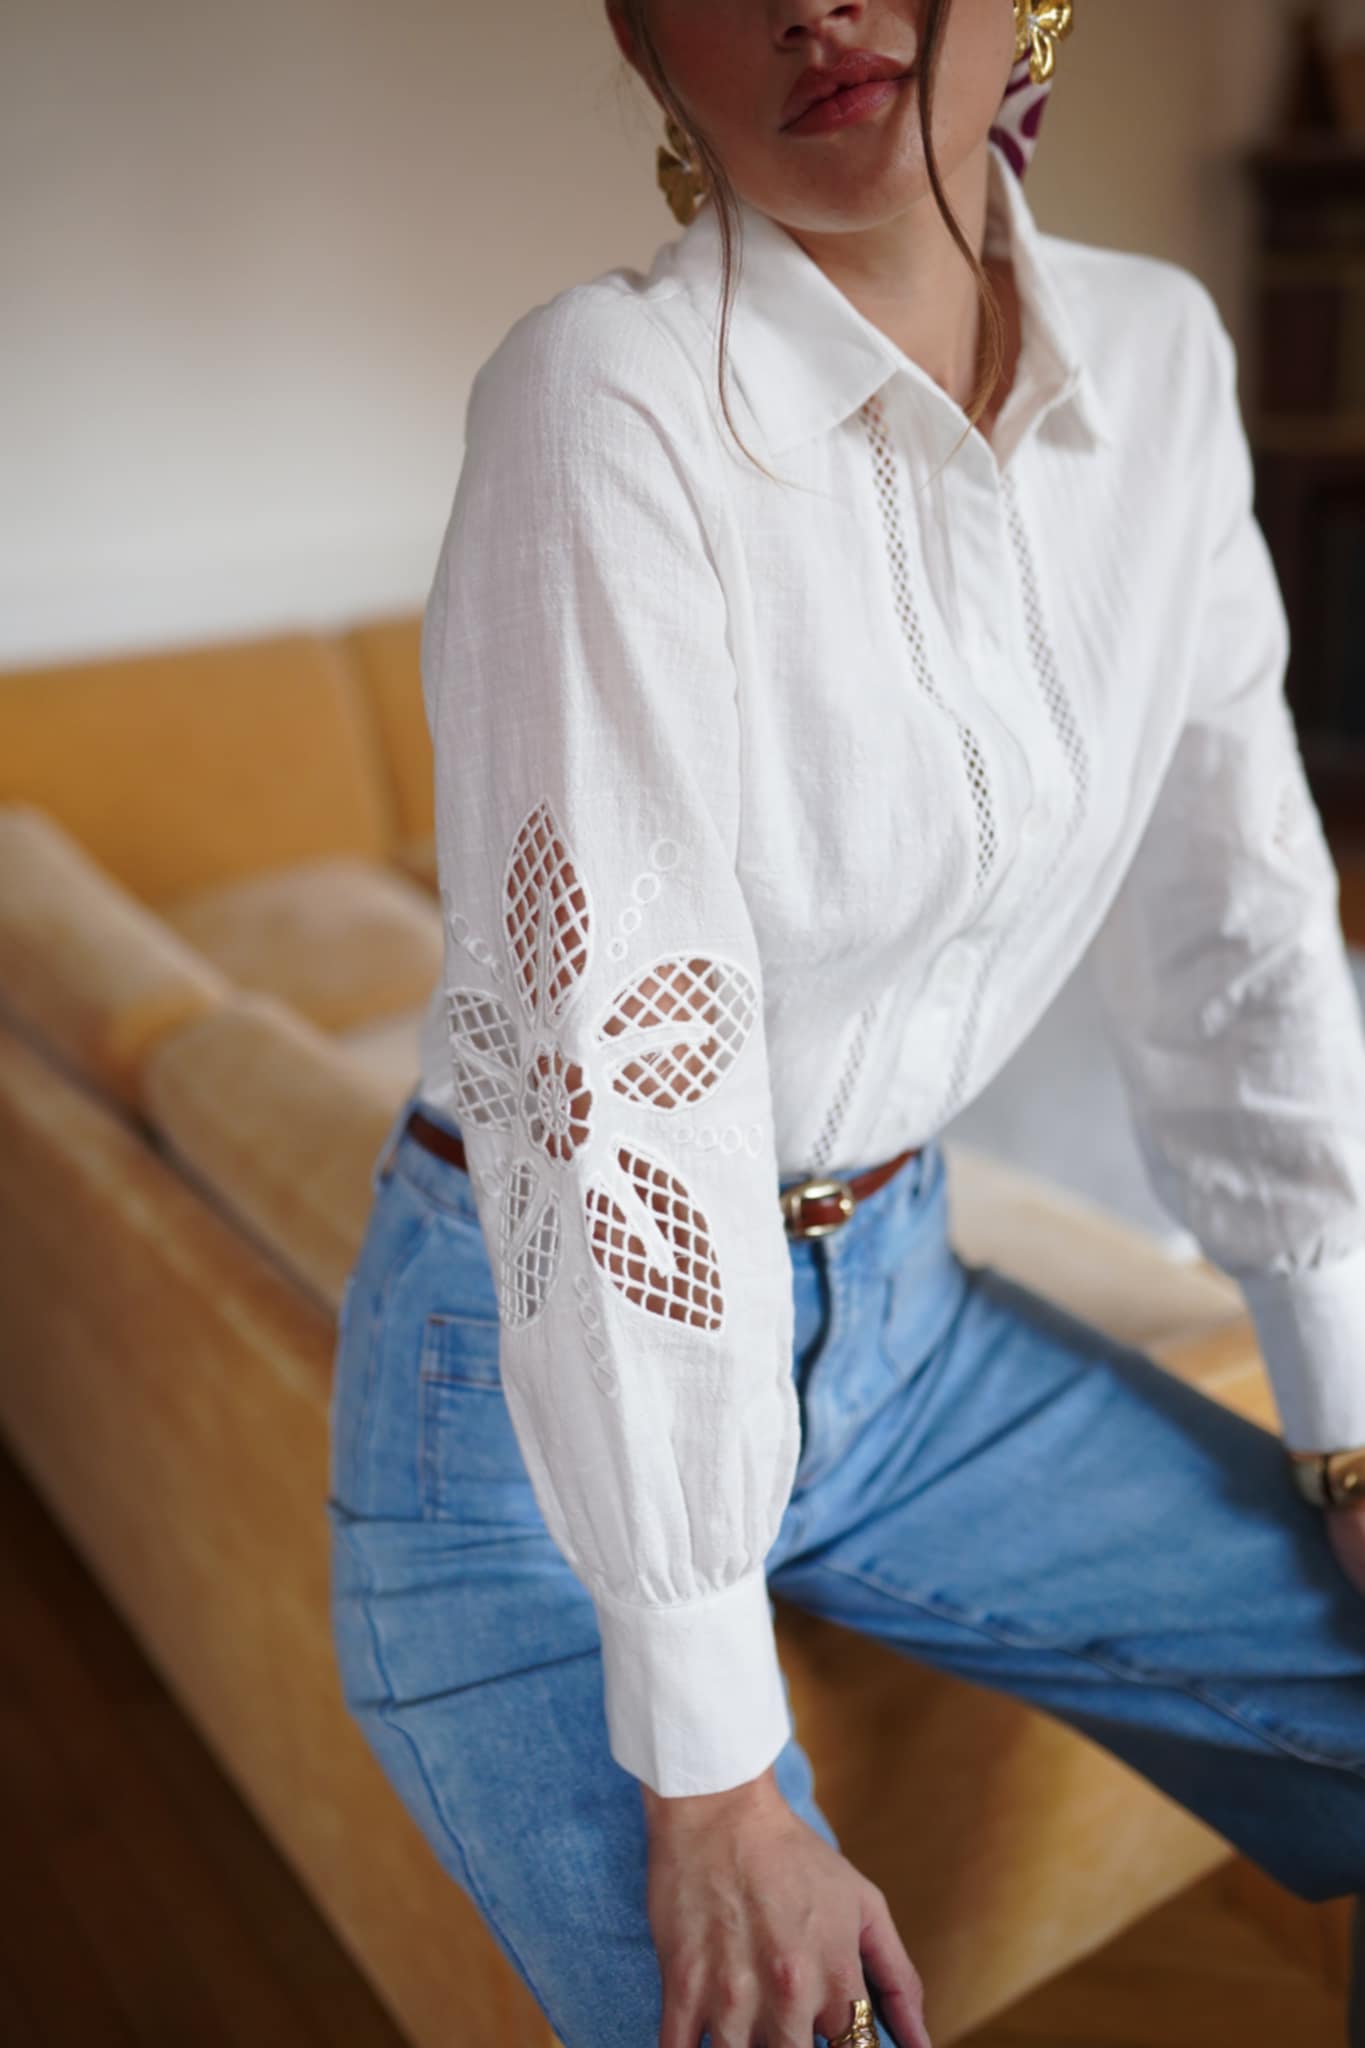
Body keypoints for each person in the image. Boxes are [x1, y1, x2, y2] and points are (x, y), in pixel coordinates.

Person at [325, 3, 1365, 2043]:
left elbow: (1233, 913)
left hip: (902, 1321)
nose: (811, 0)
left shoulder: (1159, 361)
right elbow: (617, 1091)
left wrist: (1345, 1417)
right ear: (644, 42)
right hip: (537, 1393)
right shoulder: (604, 400)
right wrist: (714, 1781)